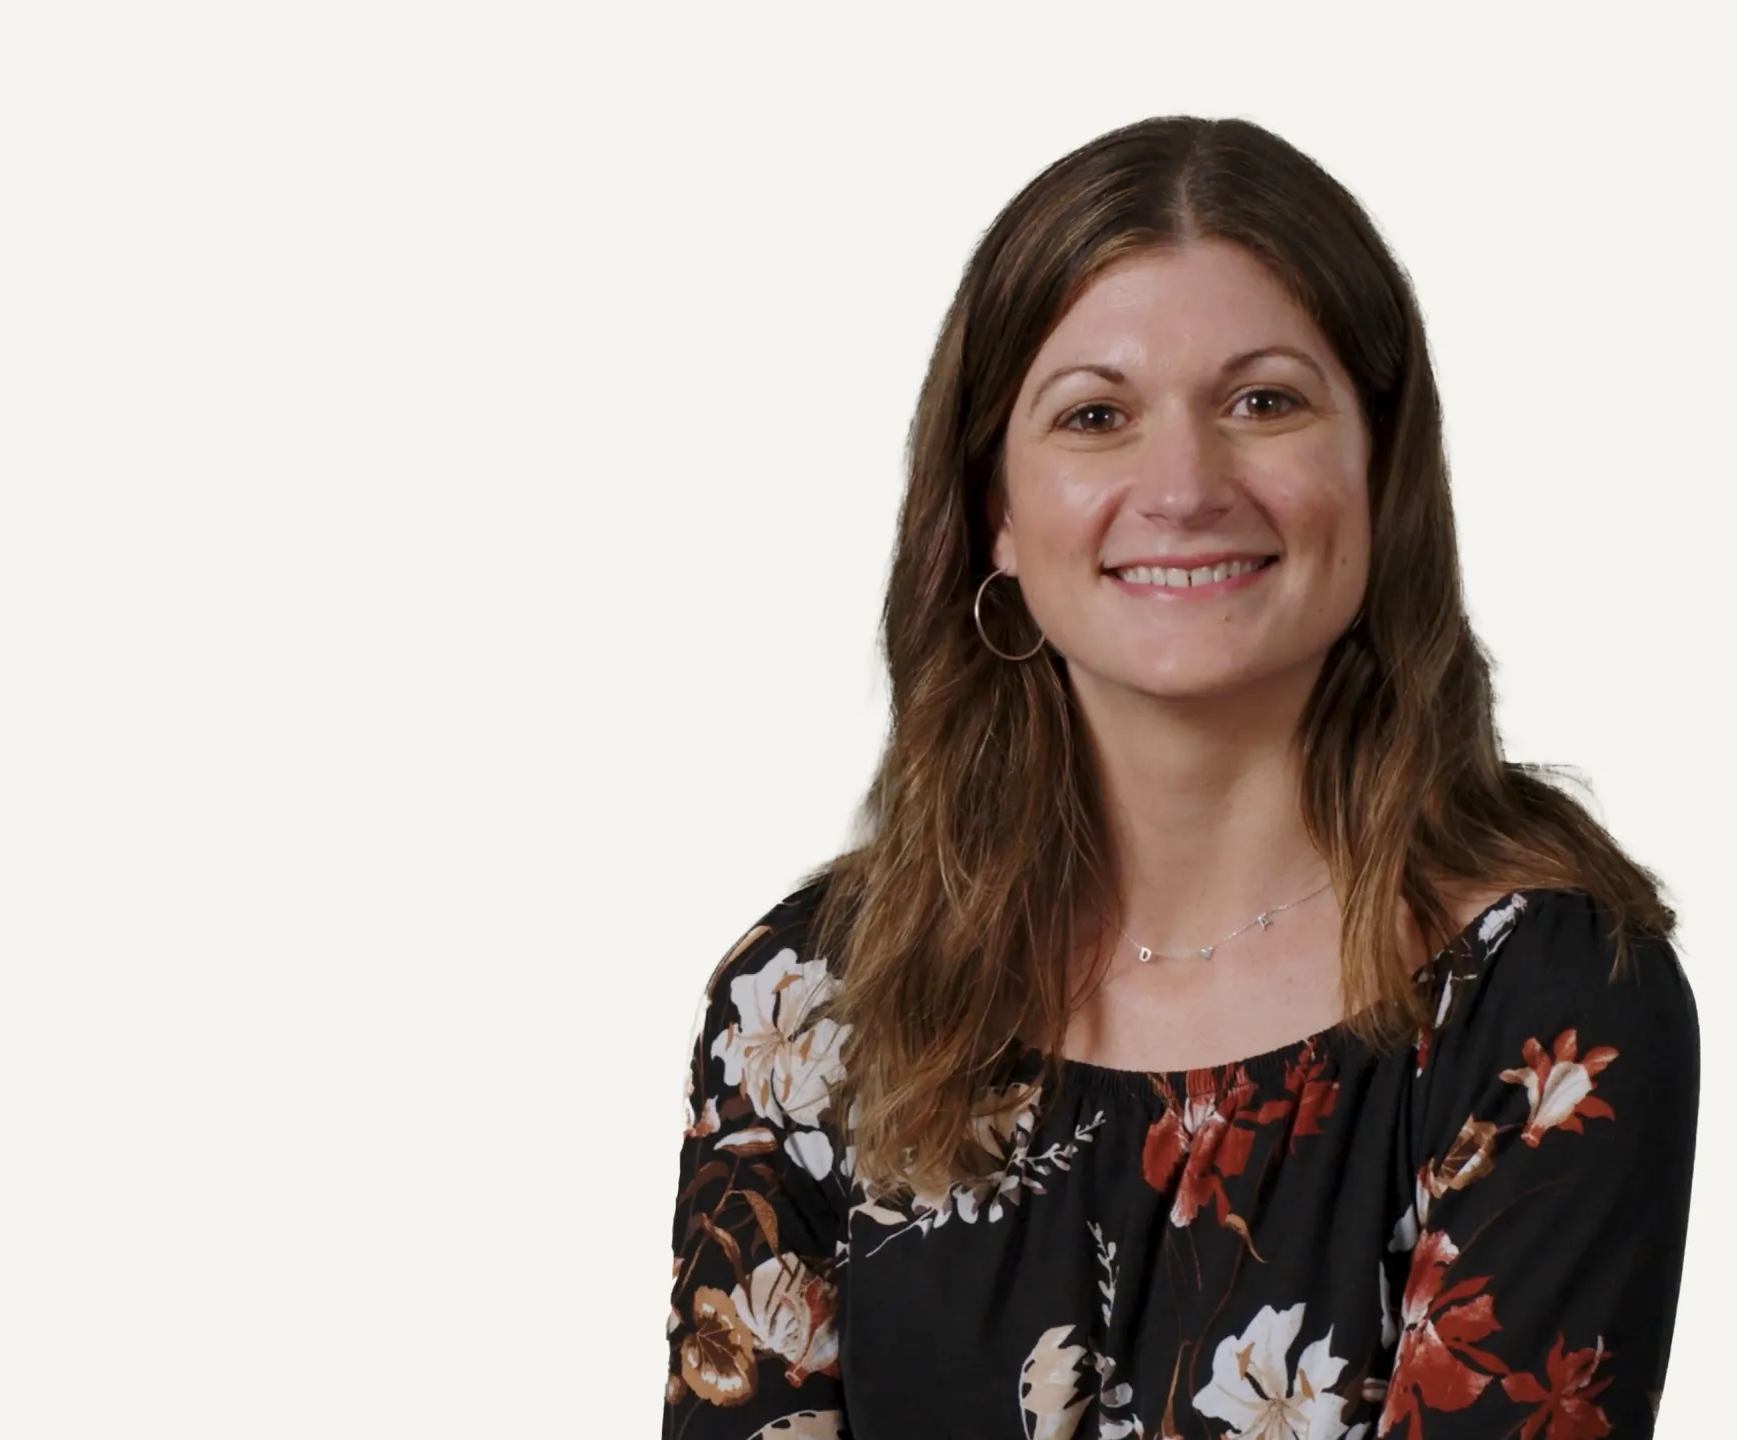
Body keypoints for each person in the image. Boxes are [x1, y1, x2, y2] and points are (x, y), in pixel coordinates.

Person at [661, 115, 1700, 1439]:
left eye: (1263, 402)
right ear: (993, 507)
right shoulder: (805, 1001)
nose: (1184, 487)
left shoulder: (1546, 1004)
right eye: (1095, 416)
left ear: (1381, 469)